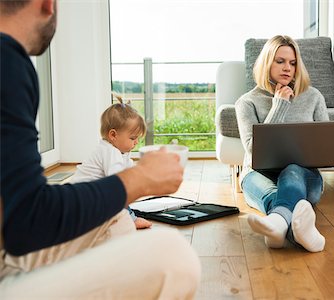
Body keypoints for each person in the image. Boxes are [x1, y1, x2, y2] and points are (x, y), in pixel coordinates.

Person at [0, 0, 200, 298]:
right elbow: (28, 220)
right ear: (47, 4)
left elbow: (15, 212)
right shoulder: (8, 61)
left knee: (113, 217)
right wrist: (141, 179)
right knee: (173, 255)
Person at [235, 35, 329, 252]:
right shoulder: (247, 102)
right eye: (280, 61)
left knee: (292, 170)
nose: (288, 68)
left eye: (293, 63)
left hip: (303, 177)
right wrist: (279, 106)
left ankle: (276, 226)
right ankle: (298, 233)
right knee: (273, 195)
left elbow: (326, 142)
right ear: (267, 62)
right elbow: (253, 149)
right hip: (258, 174)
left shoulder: (313, 97)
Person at [70, 94, 152, 230]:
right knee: (119, 195)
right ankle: (130, 219)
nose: (136, 142)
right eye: (133, 138)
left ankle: (122, 217)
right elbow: (118, 184)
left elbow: (128, 170)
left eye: (137, 138)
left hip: (88, 197)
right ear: (113, 135)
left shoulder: (120, 151)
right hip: (81, 201)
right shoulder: (109, 152)